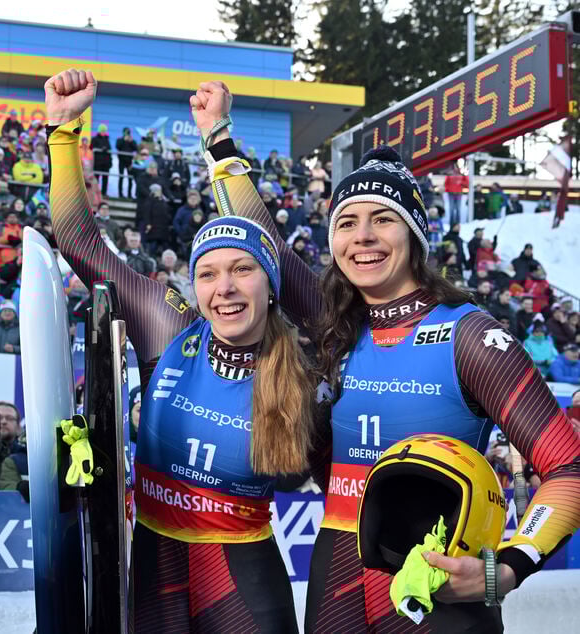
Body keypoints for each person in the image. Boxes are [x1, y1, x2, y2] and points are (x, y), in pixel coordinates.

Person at [238, 142, 580, 628]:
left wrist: (504, 569)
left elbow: (569, 465)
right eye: (346, 223)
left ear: (414, 233)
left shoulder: (471, 335)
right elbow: (261, 237)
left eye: (382, 219)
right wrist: (220, 142)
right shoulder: (335, 326)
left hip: (439, 588)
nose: (363, 237)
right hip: (335, 586)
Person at [45, 70, 310, 631]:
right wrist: (64, 131)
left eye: (243, 270)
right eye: (208, 273)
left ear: (270, 284)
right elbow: (76, 238)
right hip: (155, 564)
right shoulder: (169, 323)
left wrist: (220, 137)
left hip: (243, 577)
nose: (225, 288)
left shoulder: (298, 371)